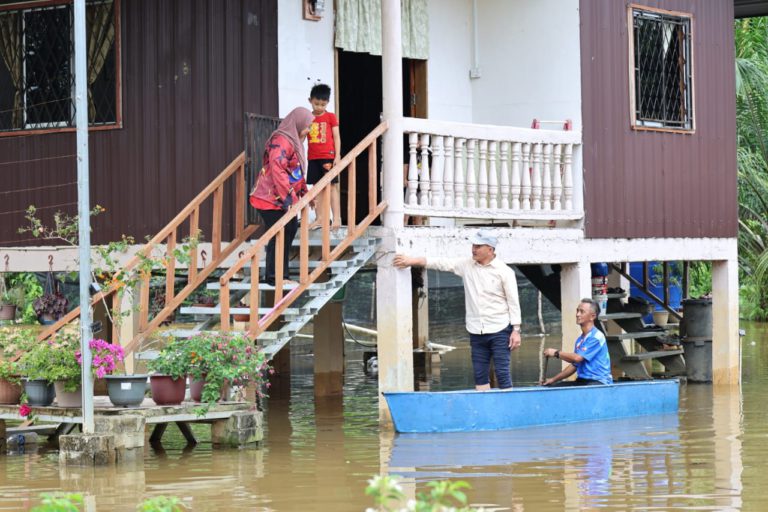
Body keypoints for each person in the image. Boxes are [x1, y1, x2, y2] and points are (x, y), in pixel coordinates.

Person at [393, 230, 522, 390]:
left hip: (500, 328)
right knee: (479, 374)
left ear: (490, 249)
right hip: (476, 329)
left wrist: (515, 330)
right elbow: (440, 262)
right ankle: (484, 409)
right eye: (473, 245)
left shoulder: (505, 271)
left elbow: (513, 302)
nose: (474, 249)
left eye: (478, 246)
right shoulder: (466, 265)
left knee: (502, 372)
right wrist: (411, 261)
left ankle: (507, 409)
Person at [249, 107, 314, 286]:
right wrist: (289, 198)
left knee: (290, 228)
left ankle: (281, 275)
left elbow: (295, 172)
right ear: (298, 123)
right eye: (307, 126)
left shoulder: (294, 142)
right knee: (281, 232)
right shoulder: (281, 140)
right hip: (268, 198)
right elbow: (278, 170)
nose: (308, 130)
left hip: (280, 198)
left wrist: (304, 193)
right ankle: (274, 277)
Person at [541, 298, 613, 386]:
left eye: (582, 312)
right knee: (553, 386)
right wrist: (553, 380)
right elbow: (575, 365)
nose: (577, 314)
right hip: (583, 380)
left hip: (599, 382)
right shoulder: (580, 340)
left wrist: (556, 353)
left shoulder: (596, 337)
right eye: (577, 311)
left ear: (592, 316)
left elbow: (577, 358)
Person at [306, 83, 342, 230]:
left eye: (323, 104)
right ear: (310, 101)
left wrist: (337, 155)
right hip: (313, 157)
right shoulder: (308, 117)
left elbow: (336, 137)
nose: (319, 107)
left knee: (332, 187)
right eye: (316, 104)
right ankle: (320, 218)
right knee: (317, 188)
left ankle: (337, 218)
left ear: (327, 102)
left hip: (328, 156)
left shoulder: (330, 117)